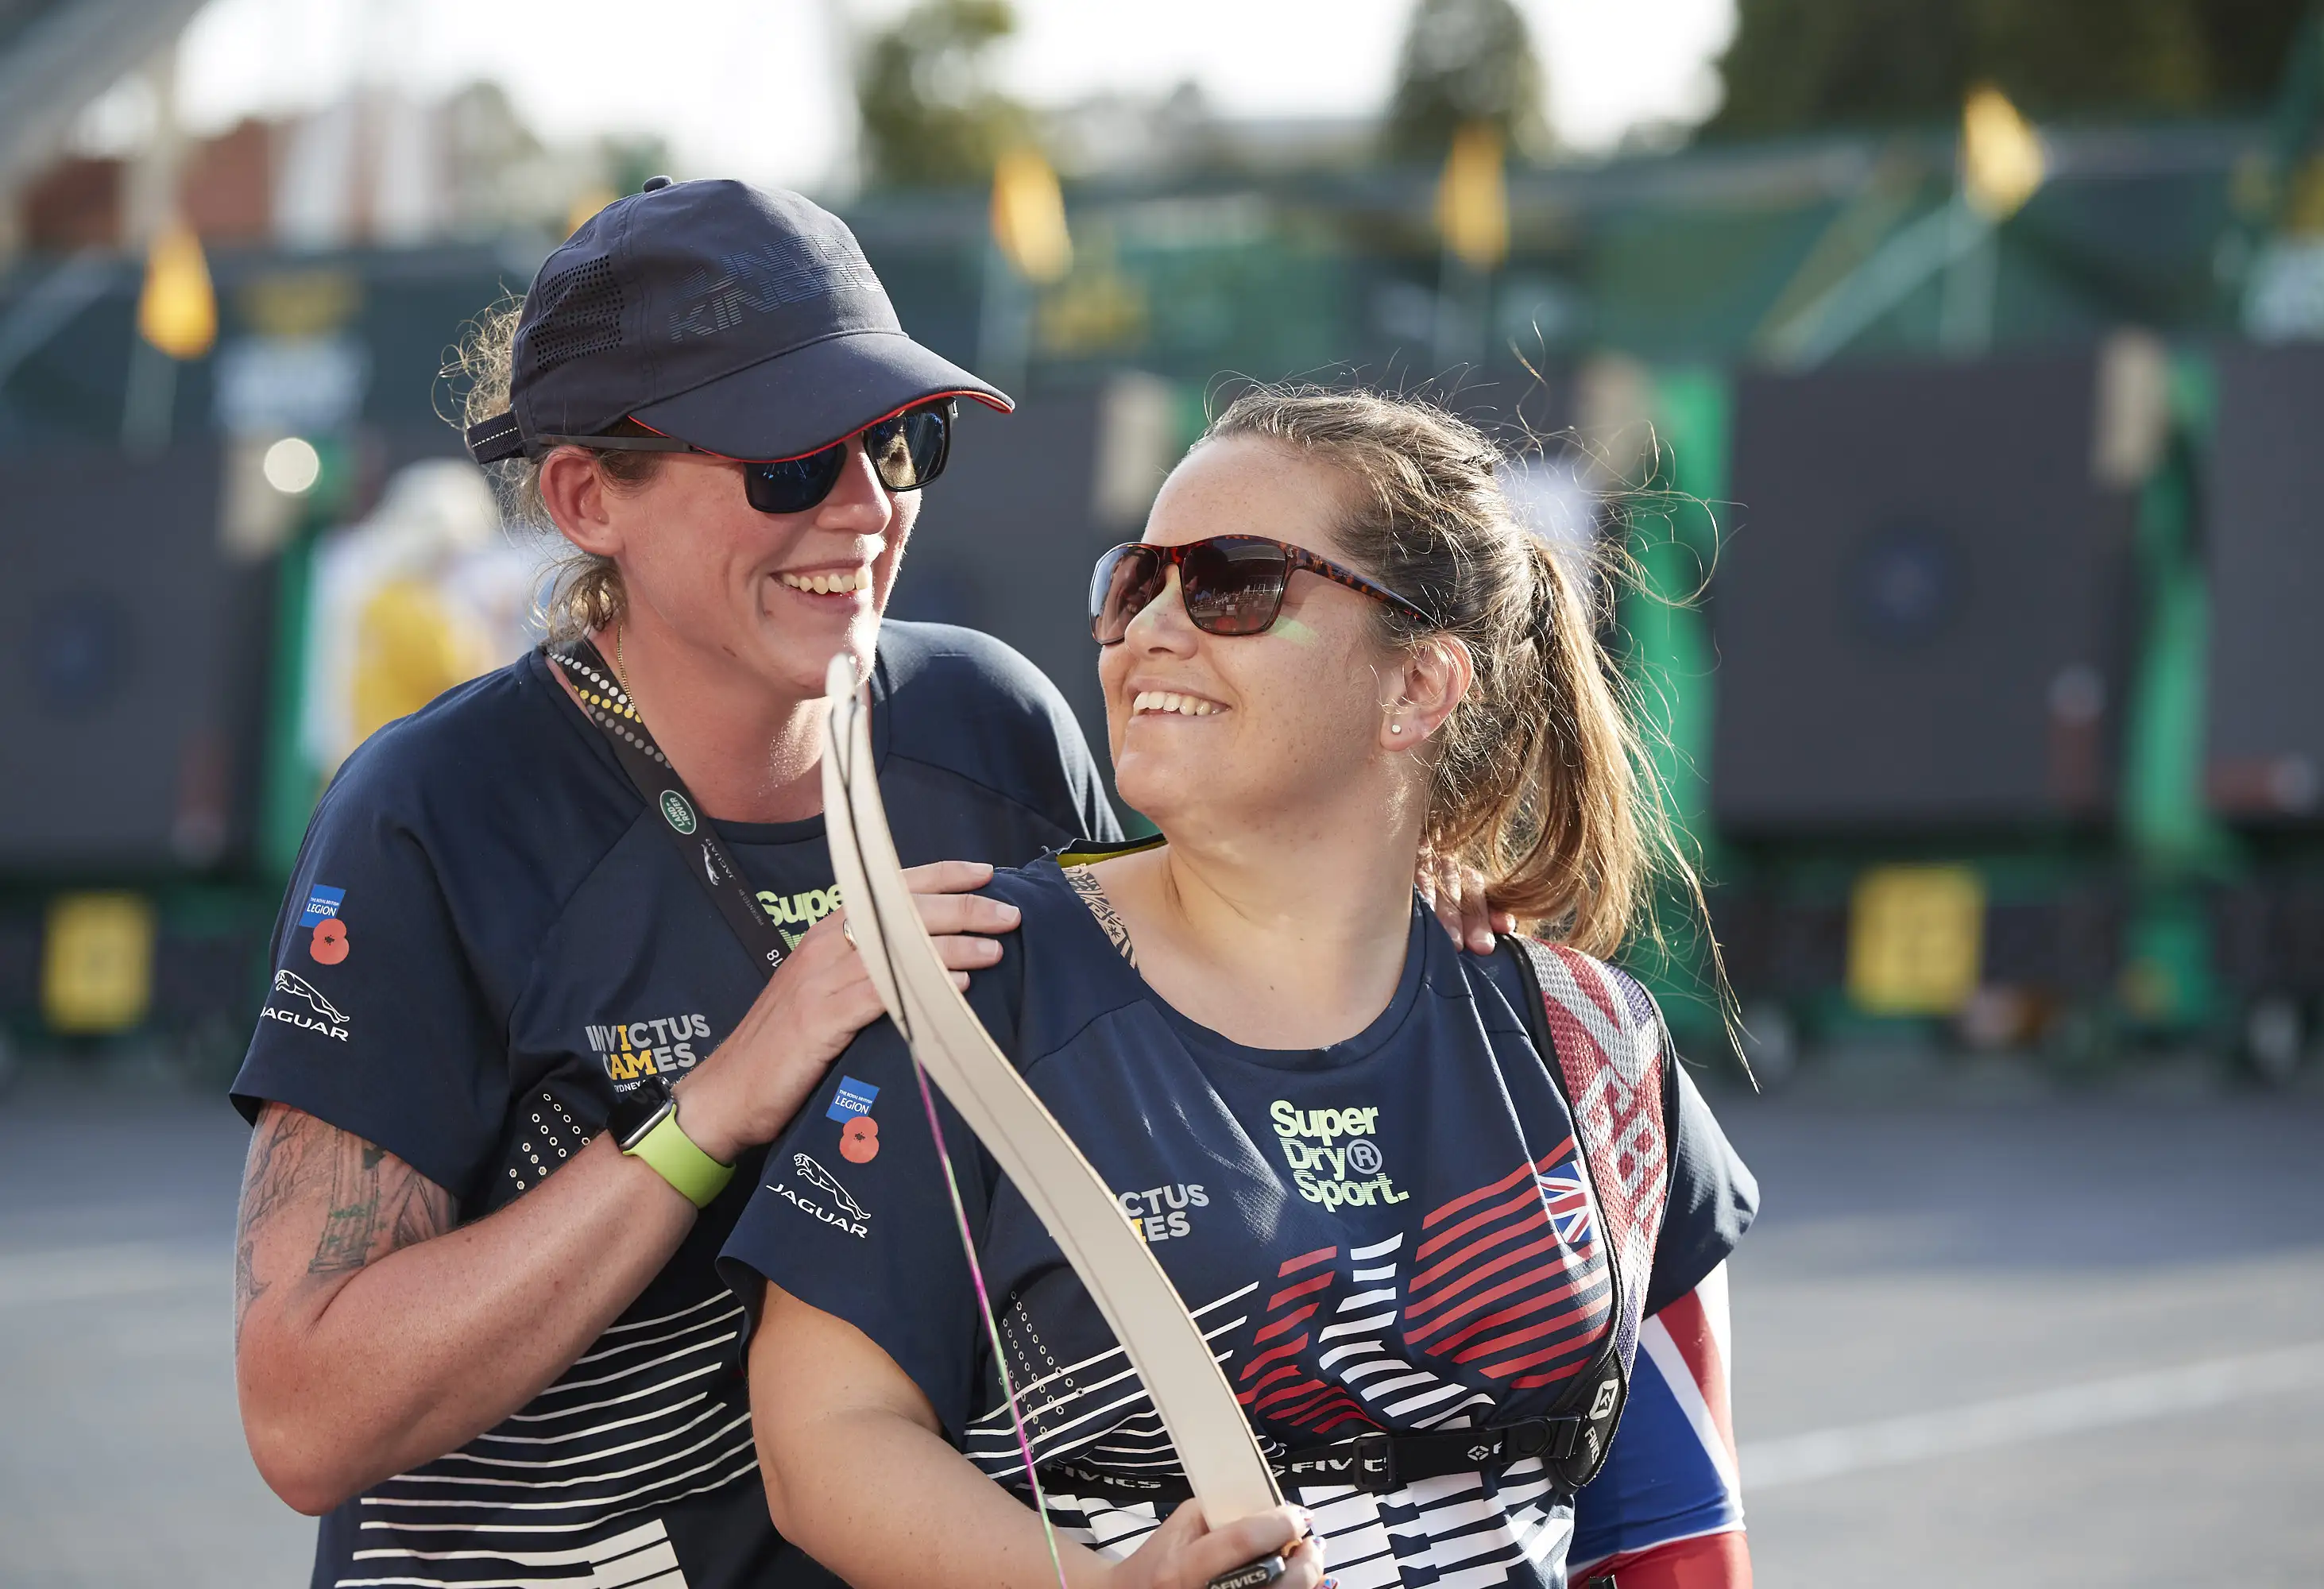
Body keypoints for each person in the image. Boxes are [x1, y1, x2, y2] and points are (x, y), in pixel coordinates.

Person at [229, 180, 1502, 1589]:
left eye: (900, 442)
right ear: (590, 498)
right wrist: (727, 1093)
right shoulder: (441, 811)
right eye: (787, 464)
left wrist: (1383, 892)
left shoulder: (989, 725)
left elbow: (1191, 1006)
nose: (865, 509)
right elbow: (305, 1416)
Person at [723, 388, 1760, 1589]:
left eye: (1232, 582)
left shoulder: (1591, 1039)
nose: (1150, 628)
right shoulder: (974, 987)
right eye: (1135, 580)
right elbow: (824, 1444)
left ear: (1419, 687)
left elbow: (1673, 1512)